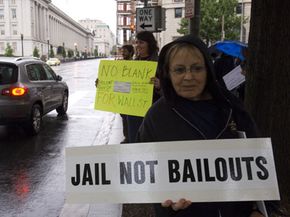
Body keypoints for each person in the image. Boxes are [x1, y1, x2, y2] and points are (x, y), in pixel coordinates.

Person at [136, 34, 264, 217]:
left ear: (208, 70)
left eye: (197, 68)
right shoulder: (156, 117)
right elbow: (143, 171)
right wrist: (166, 198)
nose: (189, 77)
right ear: (168, 73)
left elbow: (257, 161)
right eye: (179, 70)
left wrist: (256, 208)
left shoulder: (231, 108)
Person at [126, 31, 160, 143]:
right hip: (134, 111)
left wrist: (160, 85)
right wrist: (105, 84)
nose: (138, 45)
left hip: (153, 110)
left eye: (141, 42)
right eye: (136, 42)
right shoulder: (134, 63)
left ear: (149, 44)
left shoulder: (160, 62)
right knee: (134, 141)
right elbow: (125, 85)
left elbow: (172, 85)